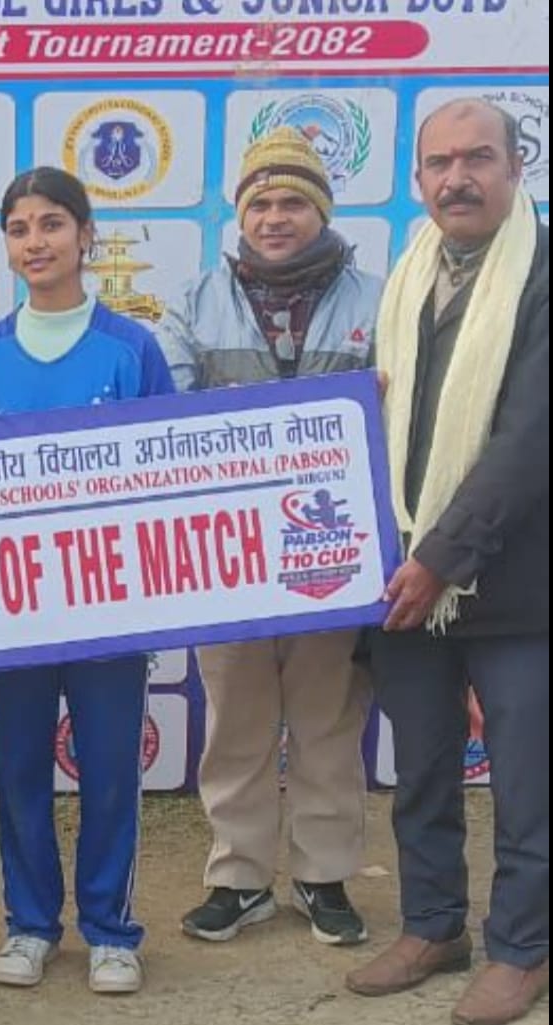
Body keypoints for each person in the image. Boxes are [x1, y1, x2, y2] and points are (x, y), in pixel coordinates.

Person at [346, 98, 548, 1025]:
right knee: (422, 769)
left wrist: (438, 557)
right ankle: (433, 927)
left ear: (516, 169)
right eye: (440, 163)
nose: (457, 179)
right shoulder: (408, 279)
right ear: (419, 179)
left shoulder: (538, 277)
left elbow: (527, 444)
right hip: (406, 581)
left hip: (518, 588)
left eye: (478, 159)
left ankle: (523, 946)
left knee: (527, 781)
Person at [0, 166, 175, 995]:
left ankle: (112, 930)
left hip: (110, 601)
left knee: (111, 767)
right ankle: (30, 924)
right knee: (18, 769)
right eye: (18, 228)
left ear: (86, 235)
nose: (35, 241)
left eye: (51, 223)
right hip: (12, 605)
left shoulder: (132, 349)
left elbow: (169, 472)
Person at [155, 127, 382, 947]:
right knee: (237, 722)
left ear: (322, 211)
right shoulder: (194, 302)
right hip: (231, 558)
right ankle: (239, 877)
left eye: (293, 202)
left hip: (336, 551)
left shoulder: (380, 299)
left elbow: (400, 413)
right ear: (241, 215)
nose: (275, 217)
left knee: (328, 720)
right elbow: (168, 415)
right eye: (260, 203)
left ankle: (324, 876)